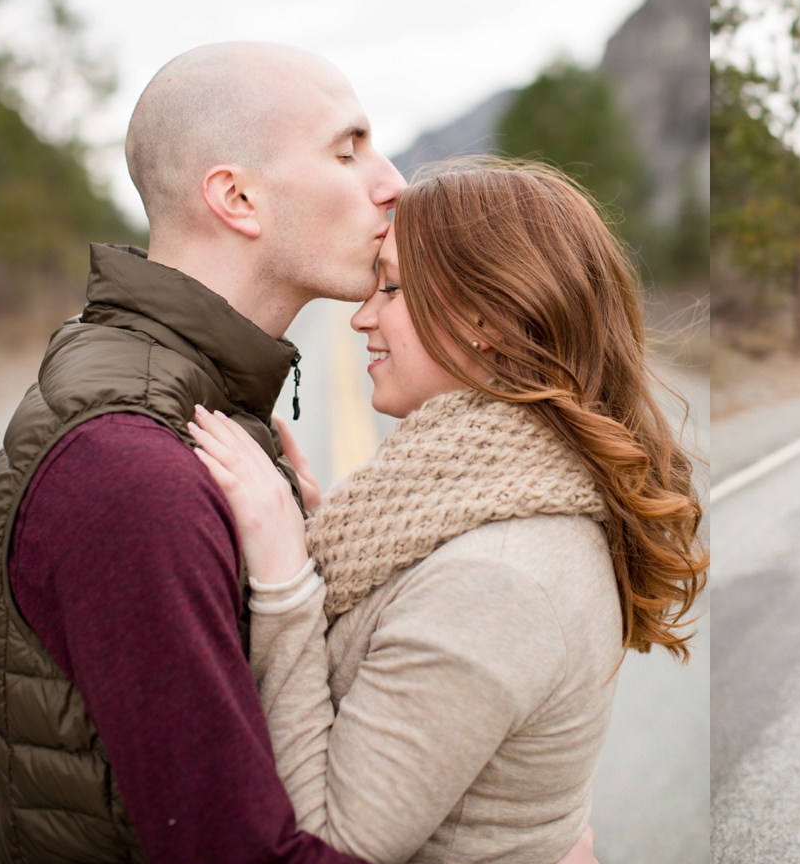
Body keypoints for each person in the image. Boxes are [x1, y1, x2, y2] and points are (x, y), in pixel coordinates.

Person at [0, 45, 595, 864]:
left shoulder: (210, 415)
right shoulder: (132, 470)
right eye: (347, 152)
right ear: (237, 197)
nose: (392, 184)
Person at [186, 159, 708, 863]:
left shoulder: (501, 579)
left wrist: (284, 582)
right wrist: (314, 525)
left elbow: (326, 845)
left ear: (486, 319)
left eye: (392, 287)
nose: (363, 316)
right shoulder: (470, 500)